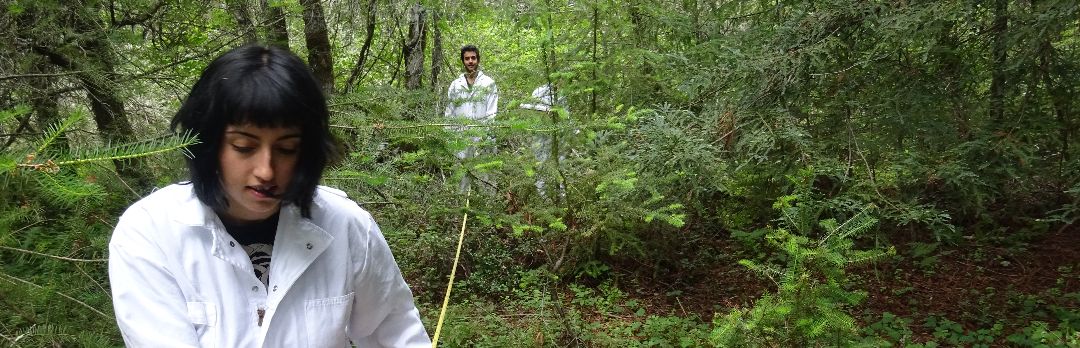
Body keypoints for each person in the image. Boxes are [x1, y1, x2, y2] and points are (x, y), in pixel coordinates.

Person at [108, 45, 431, 347]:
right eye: (244, 147)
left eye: (286, 148)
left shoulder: (347, 226)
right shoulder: (150, 233)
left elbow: (397, 332)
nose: (266, 170)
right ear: (207, 143)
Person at [444, 44, 498, 191]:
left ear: (478, 60)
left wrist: (485, 135)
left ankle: (488, 208)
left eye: (473, 58)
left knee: (485, 176)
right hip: (460, 139)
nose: (470, 61)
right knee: (461, 176)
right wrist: (449, 137)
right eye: (467, 58)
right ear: (463, 61)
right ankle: (463, 211)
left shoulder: (489, 83)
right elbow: (450, 113)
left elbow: (492, 112)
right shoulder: (455, 85)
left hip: (483, 138)